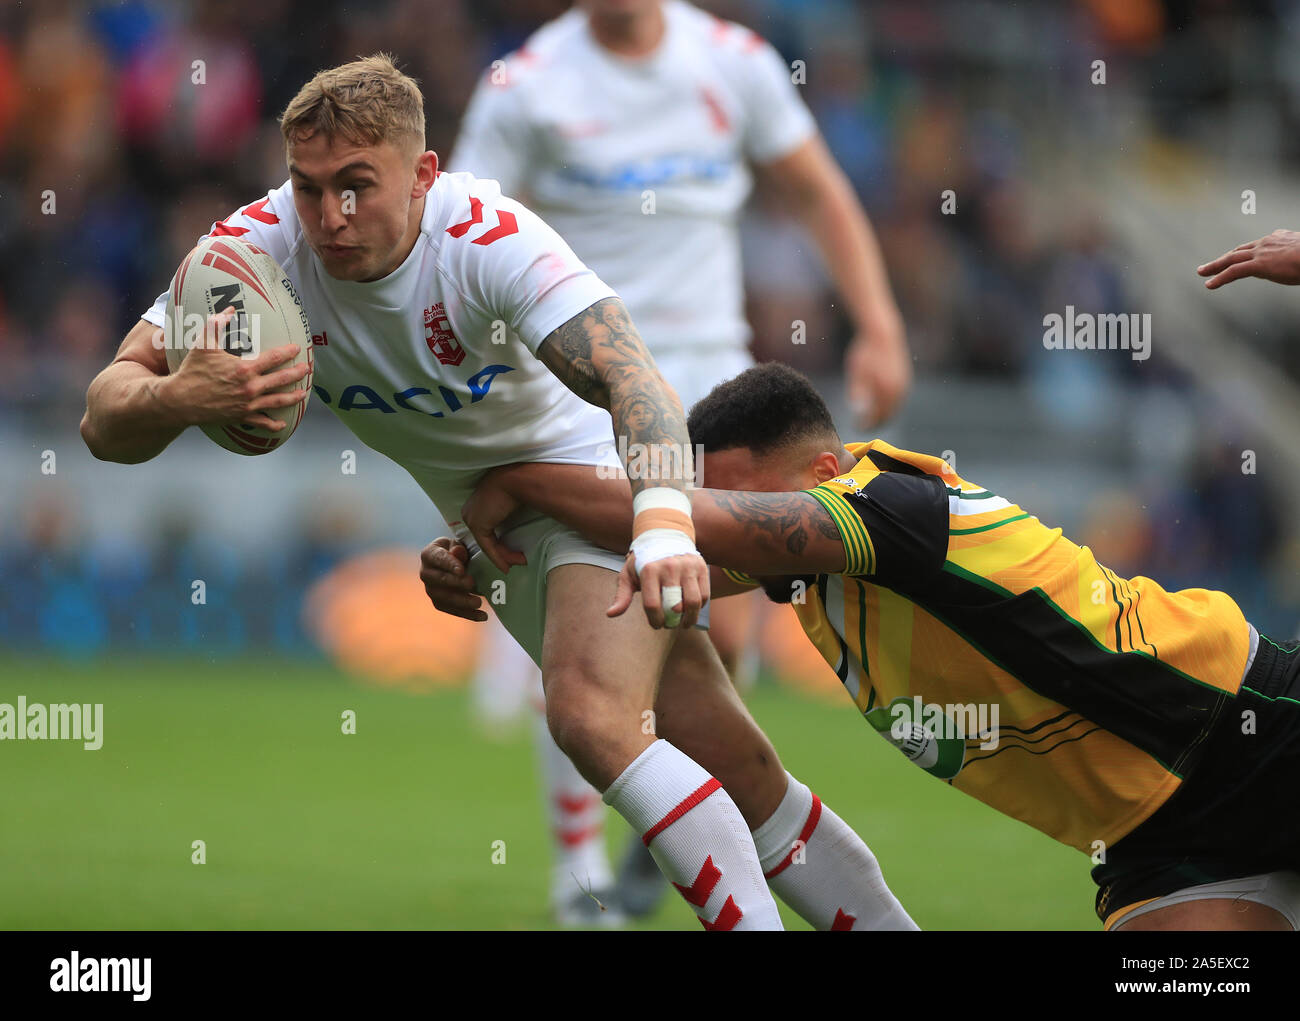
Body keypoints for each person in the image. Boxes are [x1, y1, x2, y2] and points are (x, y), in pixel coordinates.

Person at [81, 54, 916, 932]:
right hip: (505, 534)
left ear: (424, 176)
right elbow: (103, 416)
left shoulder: (487, 240)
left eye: (357, 186)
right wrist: (179, 396)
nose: (329, 216)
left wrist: (664, 529)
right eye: (308, 186)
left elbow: (638, 387)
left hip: (596, 479)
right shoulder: (253, 256)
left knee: (591, 715)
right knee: (745, 776)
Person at [444, 362, 1300, 931]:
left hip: (1251, 731)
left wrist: (513, 478)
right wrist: (479, 558)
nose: (733, 532)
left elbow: (691, 521)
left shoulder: (890, 504)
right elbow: (660, 553)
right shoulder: (811, 577)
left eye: (751, 506)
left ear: (821, 475)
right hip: (1157, 839)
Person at [448, 0, 911, 919]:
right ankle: (580, 868)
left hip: (715, 393)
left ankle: (648, 840)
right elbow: (456, 232)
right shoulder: (525, 85)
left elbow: (818, 187)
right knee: (594, 628)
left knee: (718, 639)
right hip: (599, 396)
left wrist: (881, 322)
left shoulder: (732, 61)